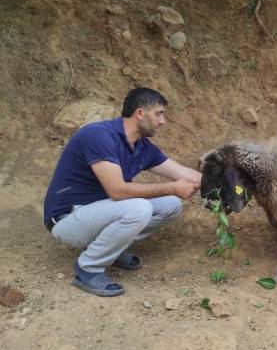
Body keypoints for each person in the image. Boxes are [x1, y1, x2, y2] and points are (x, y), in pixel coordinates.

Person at [43, 87, 201, 296]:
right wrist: (172, 187)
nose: (162, 121)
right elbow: (117, 191)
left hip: (96, 214)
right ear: (140, 113)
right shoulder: (99, 136)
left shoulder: (142, 147)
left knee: (172, 205)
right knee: (139, 208)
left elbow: (186, 174)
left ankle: (109, 248)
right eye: (159, 114)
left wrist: (232, 185)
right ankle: (88, 268)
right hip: (67, 219)